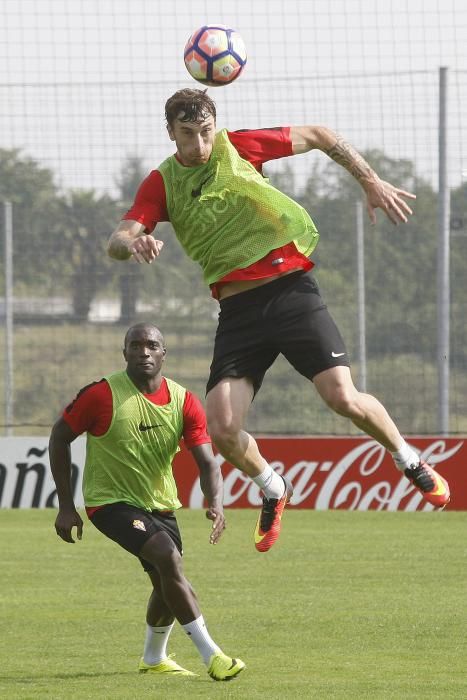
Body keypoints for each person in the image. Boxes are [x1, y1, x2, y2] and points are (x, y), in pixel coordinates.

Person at [107, 89, 450, 552]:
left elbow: (320, 135)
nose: (200, 145)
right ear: (170, 133)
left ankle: (408, 459)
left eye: (206, 132)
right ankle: (273, 487)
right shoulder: (161, 183)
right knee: (223, 427)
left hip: (291, 292)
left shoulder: (242, 147)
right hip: (239, 312)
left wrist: (369, 180)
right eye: (188, 135)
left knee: (342, 397)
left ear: (216, 126)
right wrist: (135, 243)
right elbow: (118, 238)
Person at [49, 322, 245, 681]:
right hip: (109, 504)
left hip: (160, 505)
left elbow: (207, 461)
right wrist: (65, 505)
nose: (144, 352)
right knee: (168, 560)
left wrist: (216, 501)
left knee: (166, 581)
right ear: (124, 353)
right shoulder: (101, 395)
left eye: (152, 345)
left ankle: (153, 658)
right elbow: (59, 437)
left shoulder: (184, 401)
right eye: (135, 345)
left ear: (163, 353)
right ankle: (212, 656)